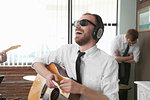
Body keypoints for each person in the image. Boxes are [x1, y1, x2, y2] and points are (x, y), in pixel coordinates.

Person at [32, 13, 119, 100]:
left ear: (97, 31)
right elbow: (37, 62)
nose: (77, 26)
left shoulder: (109, 62)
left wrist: (82, 89)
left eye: (83, 23)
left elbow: (112, 98)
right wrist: (48, 75)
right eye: (76, 23)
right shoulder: (66, 50)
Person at [110, 29, 140, 100]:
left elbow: (135, 60)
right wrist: (129, 57)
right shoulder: (116, 40)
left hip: (126, 66)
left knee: (125, 85)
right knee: (115, 85)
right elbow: (114, 59)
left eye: (133, 43)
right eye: (130, 42)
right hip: (115, 65)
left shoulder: (137, 42)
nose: (132, 45)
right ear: (126, 37)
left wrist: (120, 57)